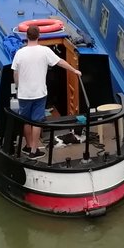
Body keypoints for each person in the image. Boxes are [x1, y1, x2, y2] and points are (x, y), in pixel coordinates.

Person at [11, 25, 81, 157]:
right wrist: (74, 70)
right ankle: (34, 150)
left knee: (26, 121)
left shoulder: (20, 53)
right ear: (39, 36)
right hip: (39, 93)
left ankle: (27, 146)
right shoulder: (44, 51)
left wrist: (18, 86)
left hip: (24, 94)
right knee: (37, 121)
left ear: (26, 37)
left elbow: (15, 73)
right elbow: (60, 62)